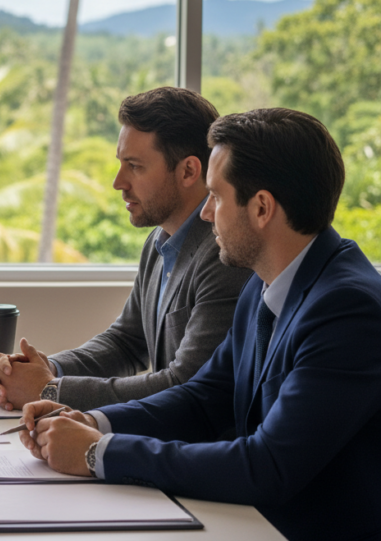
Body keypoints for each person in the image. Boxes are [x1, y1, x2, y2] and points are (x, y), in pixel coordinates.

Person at [20, 108, 381, 540]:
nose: (206, 214)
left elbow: (267, 466)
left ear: (262, 208)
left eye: (217, 196)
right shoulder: (266, 283)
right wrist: (92, 421)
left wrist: (99, 453)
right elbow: (202, 398)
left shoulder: (347, 309)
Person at [0, 87, 251, 412]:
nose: (118, 182)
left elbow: (185, 383)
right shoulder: (159, 242)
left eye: (135, 166)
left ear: (189, 171)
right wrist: (47, 369)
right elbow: (126, 342)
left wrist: (51, 390)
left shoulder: (225, 255)